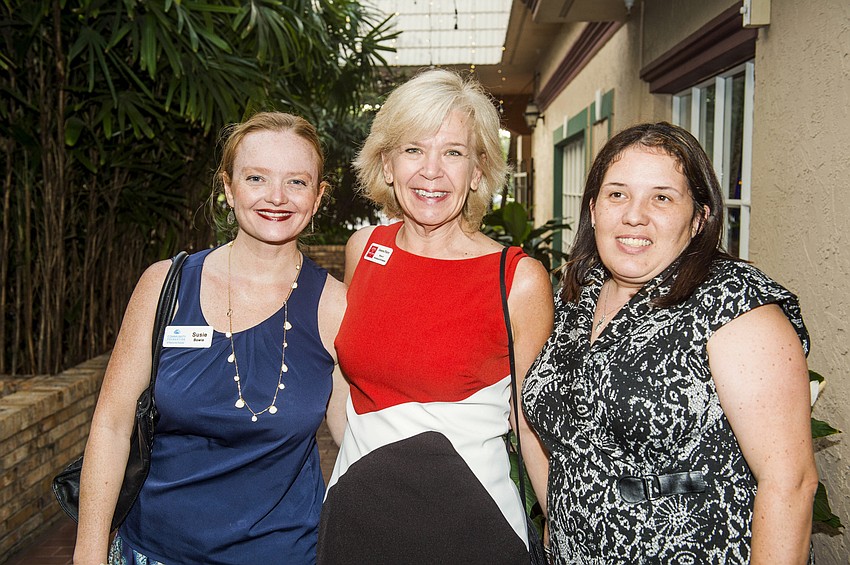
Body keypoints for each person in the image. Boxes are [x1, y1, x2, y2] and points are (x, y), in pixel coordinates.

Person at [522, 122, 819, 564]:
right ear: (594, 208)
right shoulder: (580, 295)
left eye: (662, 197)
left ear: (699, 218)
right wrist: (559, 520)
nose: (634, 214)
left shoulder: (733, 305)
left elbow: (789, 481)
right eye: (617, 194)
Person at [73, 112, 346, 565]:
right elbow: (112, 424)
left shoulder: (333, 307)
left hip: (282, 555)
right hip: (153, 553)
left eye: (296, 182)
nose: (276, 198)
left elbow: (356, 440)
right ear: (227, 186)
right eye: (256, 177)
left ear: (318, 197)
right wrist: (89, 552)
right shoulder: (166, 284)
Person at [316, 69, 553, 564]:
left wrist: (560, 533)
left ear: (478, 171)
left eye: (453, 152)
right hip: (360, 515)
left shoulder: (518, 279)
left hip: (472, 525)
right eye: (413, 149)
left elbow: (531, 425)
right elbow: (348, 377)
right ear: (386, 165)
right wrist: (366, 465)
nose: (431, 171)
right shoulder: (365, 249)